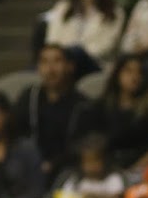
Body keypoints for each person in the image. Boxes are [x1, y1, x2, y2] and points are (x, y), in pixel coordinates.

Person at [14, 45, 92, 179]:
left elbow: (81, 145)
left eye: (57, 61)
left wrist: (53, 164)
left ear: (70, 66)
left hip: (69, 170)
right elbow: (15, 132)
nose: (50, 69)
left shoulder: (83, 104)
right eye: (44, 62)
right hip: (28, 167)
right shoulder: (29, 97)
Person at [84, 55, 148, 169]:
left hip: (144, 165)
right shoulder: (101, 105)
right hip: (107, 167)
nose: (135, 77)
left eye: (140, 72)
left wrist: (136, 168)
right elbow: (93, 143)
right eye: (128, 71)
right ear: (117, 74)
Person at [44, 0, 124, 74]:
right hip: (62, 61)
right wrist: (63, 57)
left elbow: (106, 46)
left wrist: (74, 54)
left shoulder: (115, 12)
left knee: (76, 52)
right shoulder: (63, 7)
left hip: (96, 63)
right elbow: (52, 39)